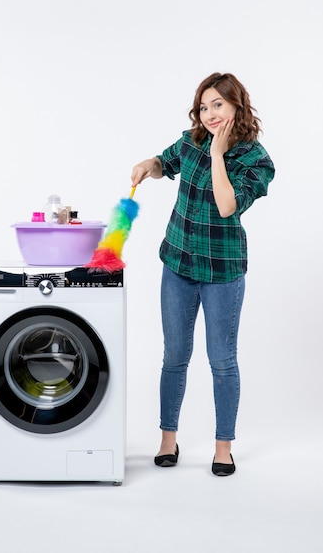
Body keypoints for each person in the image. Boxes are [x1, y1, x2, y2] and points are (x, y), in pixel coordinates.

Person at [131, 72, 275, 476]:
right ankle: (167, 440)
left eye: (218, 105)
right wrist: (150, 165)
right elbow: (166, 163)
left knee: (222, 361)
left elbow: (228, 206)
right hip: (177, 263)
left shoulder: (254, 159)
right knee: (174, 356)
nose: (209, 114)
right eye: (204, 105)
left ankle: (223, 447)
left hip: (222, 272)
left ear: (236, 107)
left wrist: (217, 153)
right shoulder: (190, 140)